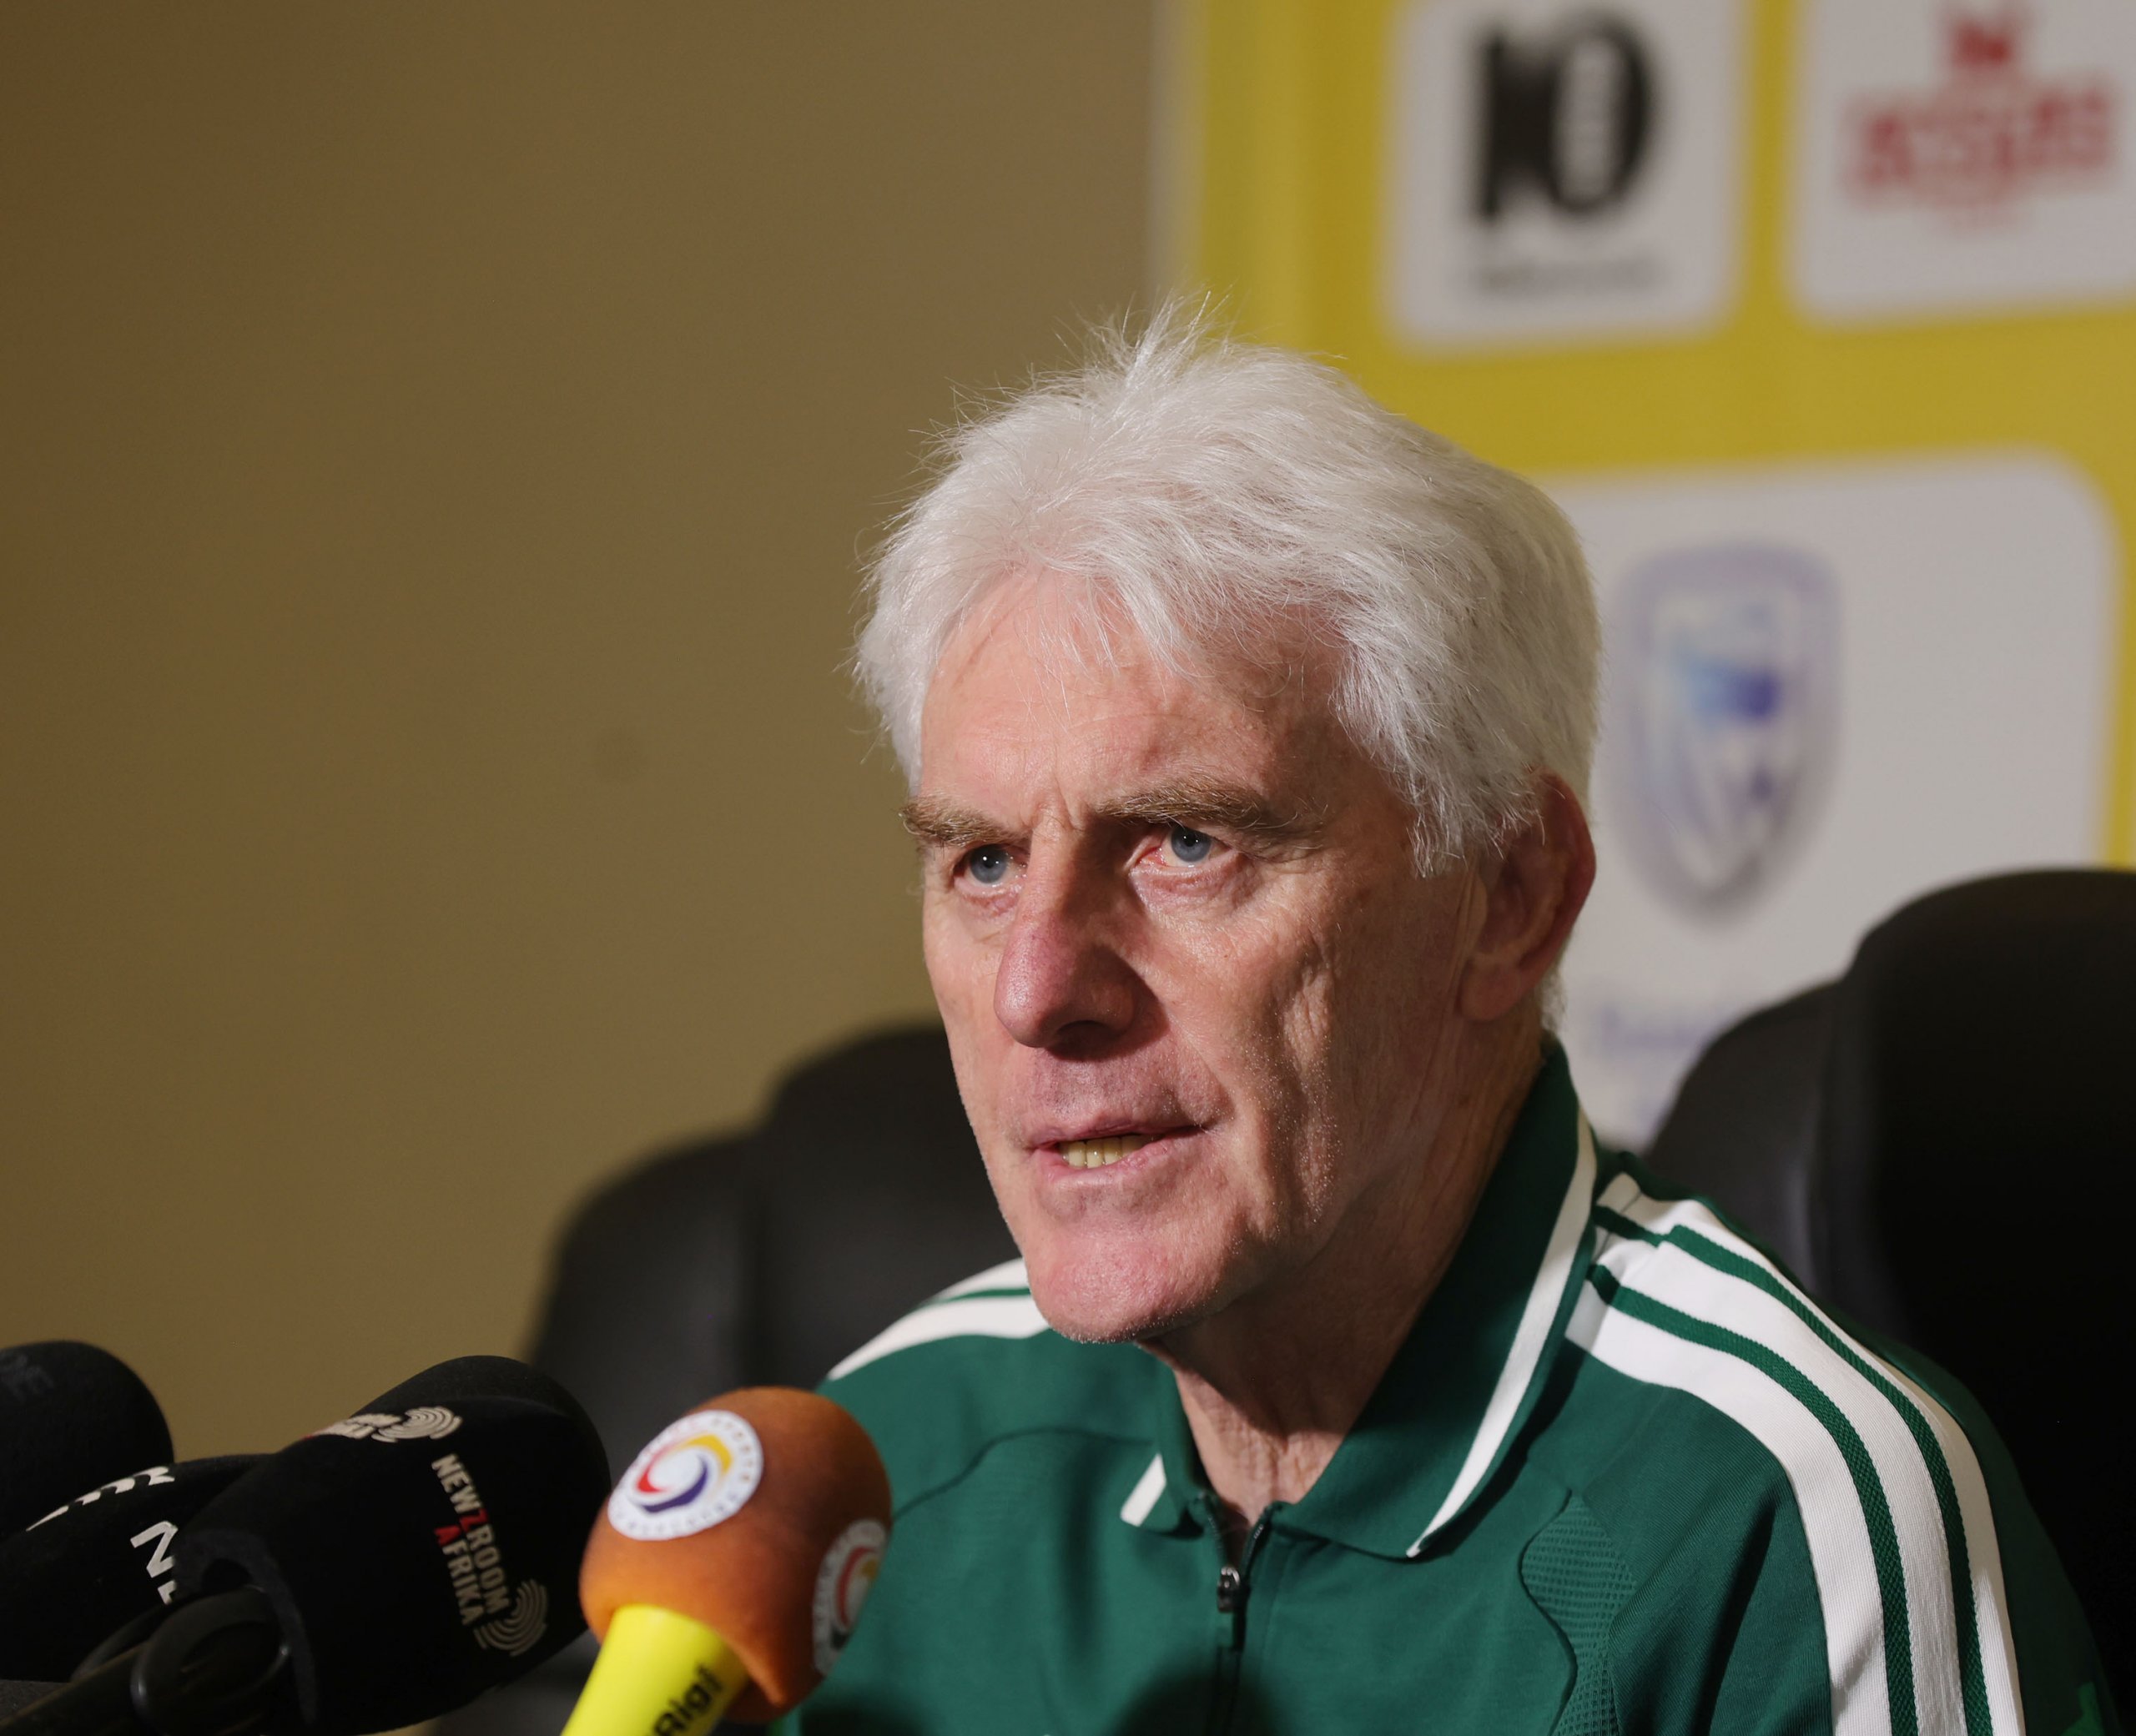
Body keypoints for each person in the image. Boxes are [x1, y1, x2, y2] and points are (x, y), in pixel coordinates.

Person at [790, 310, 2114, 1734]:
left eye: (1183, 842)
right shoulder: (878, 1464)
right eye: (981, 861)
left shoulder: (1788, 1516)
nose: (1036, 988)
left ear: (1509, 893)